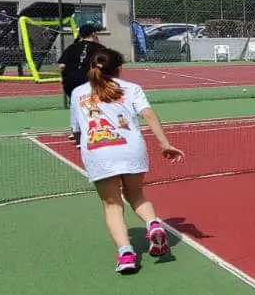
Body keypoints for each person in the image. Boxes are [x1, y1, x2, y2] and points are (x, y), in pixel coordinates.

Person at [69, 47, 184, 274]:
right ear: (119, 69)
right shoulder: (132, 89)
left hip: (99, 152)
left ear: (92, 68)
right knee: (136, 194)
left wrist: (78, 140)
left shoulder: (77, 93)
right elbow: (148, 114)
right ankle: (152, 224)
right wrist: (164, 143)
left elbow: (76, 131)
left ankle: (126, 254)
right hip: (131, 150)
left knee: (112, 205)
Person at [58, 24, 101, 125]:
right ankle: (95, 125)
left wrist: (63, 77)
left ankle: (75, 129)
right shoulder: (99, 48)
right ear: (94, 34)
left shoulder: (71, 47)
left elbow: (62, 66)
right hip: (88, 80)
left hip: (71, 81)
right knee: (93, 103)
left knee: (75, 103)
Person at [0, 7, 24, 77]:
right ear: (1, 13)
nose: (4, 14)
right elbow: (0, 23)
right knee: (2, 35)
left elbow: (10, 23)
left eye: (5, 13)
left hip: (7, 30)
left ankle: (10, 47)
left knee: (10, 34)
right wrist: (6, 22)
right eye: (3, 13)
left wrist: (9, 24)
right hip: (2, 31)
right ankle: (2, 45)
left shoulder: (8, 17)